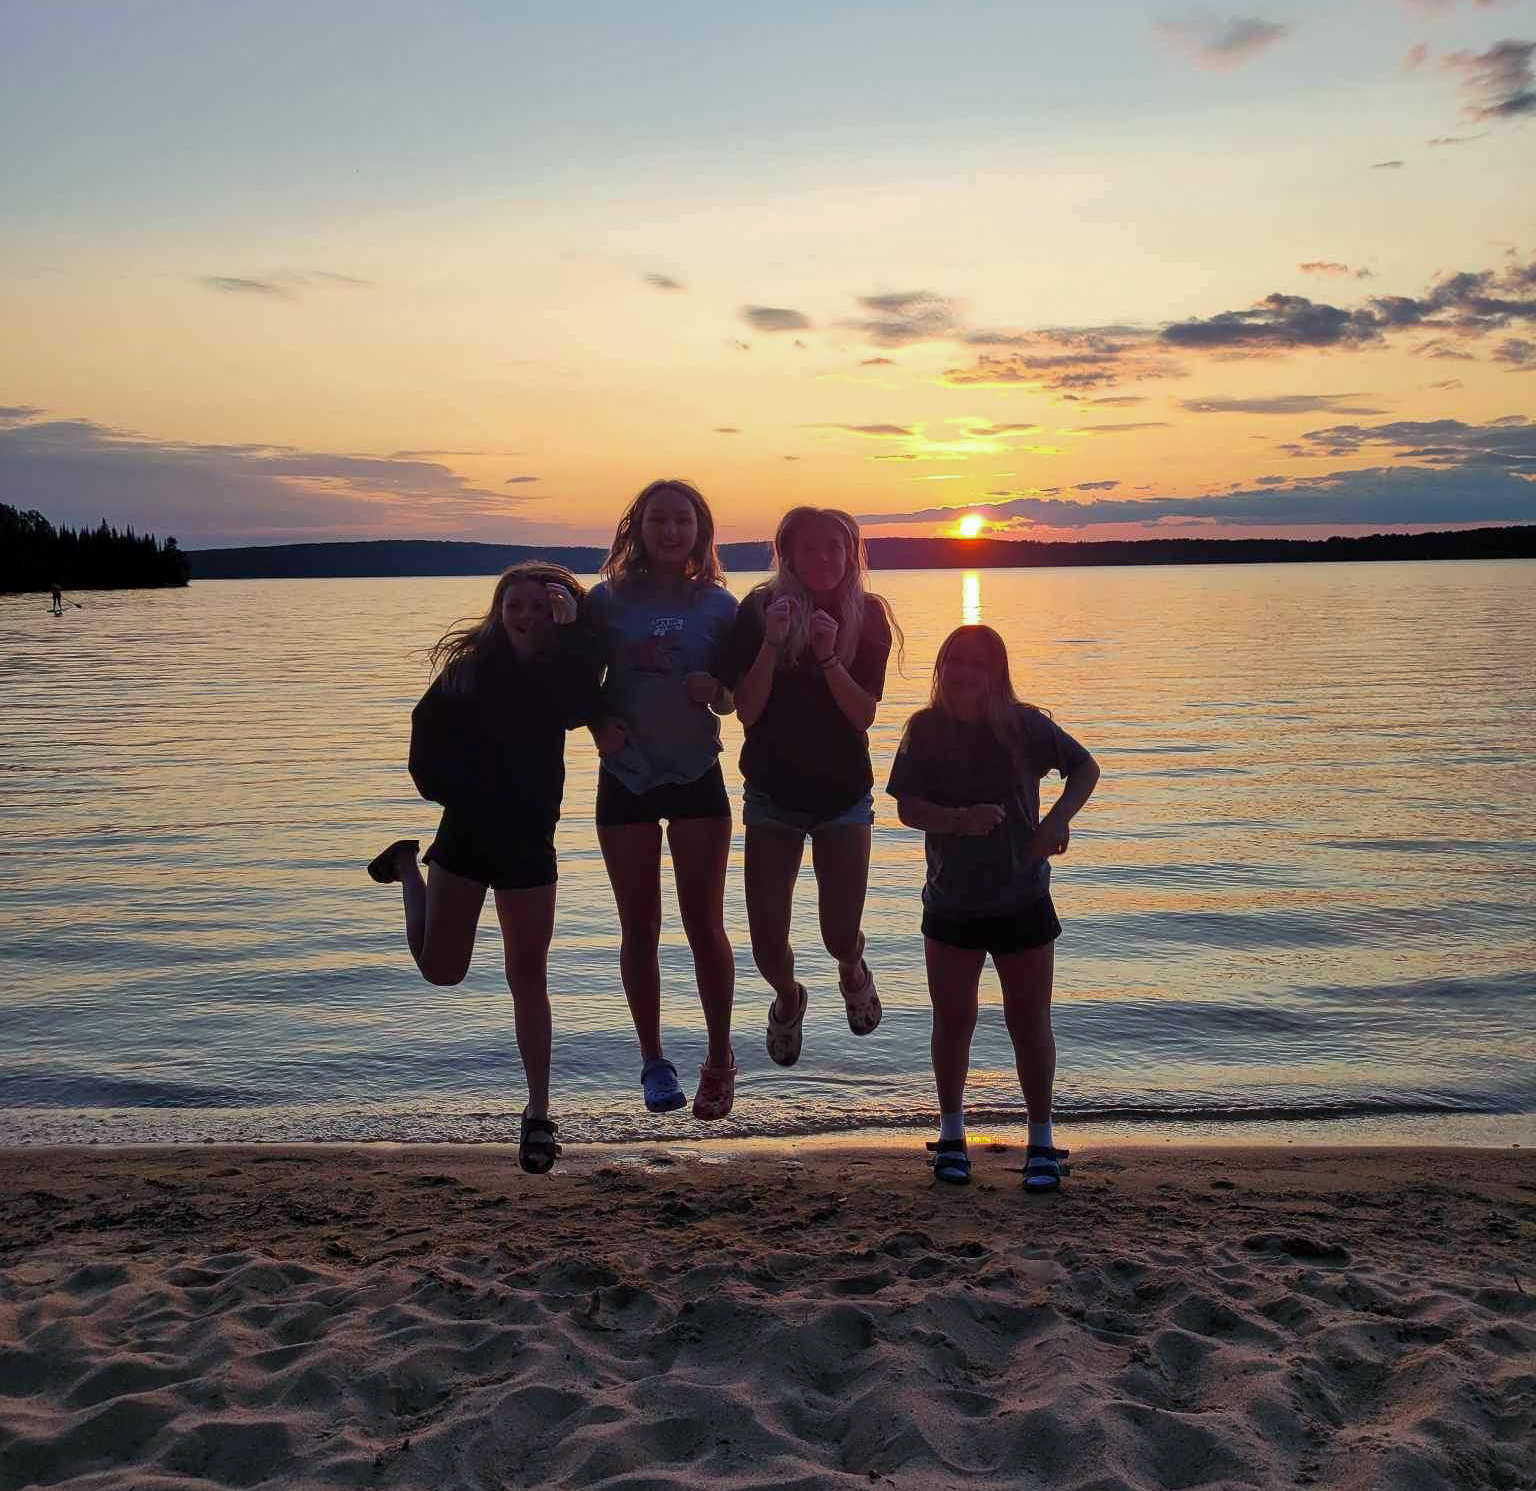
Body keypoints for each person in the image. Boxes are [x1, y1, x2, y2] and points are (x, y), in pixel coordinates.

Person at [366, 562, 601, 1175]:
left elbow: (582, 706)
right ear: (499, 612)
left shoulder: (560, 667)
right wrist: (455, 788)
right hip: (467, 833)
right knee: (442, 972)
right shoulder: (470, 670)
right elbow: (425, 739)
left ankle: (540, 1112)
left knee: (529, 974)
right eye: (513, 606)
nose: (524, 617)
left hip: (529, 842)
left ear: (555, 615)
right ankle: (406, 868)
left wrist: (572, 637)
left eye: (537, 608)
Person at [886, 625, 1100, 1192]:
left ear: (996, 671)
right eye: (953, 660)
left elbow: (1085, 768)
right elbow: (907, 807)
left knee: (1028, 1023)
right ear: (940, 666)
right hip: (951, 900)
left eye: (976, 663)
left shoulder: (1024, 725)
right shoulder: (924, 729)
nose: (963, 672)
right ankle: (952, 1136)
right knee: (953, 1021)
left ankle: (1042, 1141)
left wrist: (1057, 821)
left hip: (1022, 896)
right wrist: (958, 820)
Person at [718, 507, 900, 1067]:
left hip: (844, 797)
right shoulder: (757, 609)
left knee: (839, 932)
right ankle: (788, 998)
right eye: (811, 547)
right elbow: (744, 710)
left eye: (835, 548)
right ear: (788, 554)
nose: (824, 558)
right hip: (772, 796)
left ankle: (852, 966)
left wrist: (825, 655)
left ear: (851, 555)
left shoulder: (868, 616)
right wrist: (773, 643)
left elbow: (863, 715)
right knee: (767, 944)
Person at [587, 479, 739, 1120]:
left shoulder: (720, 605)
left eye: (684, 521)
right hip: (626, 776)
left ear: (701, 531)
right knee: (639, 928)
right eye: (660, 519)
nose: (672, 531)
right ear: (638, 527)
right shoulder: (604, 601)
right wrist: (596, 720)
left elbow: (736, 696)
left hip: (696, 772)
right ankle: (653, 1061)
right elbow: (573, 680)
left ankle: (719, 1058)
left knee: (705, 925)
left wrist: (718, 692)